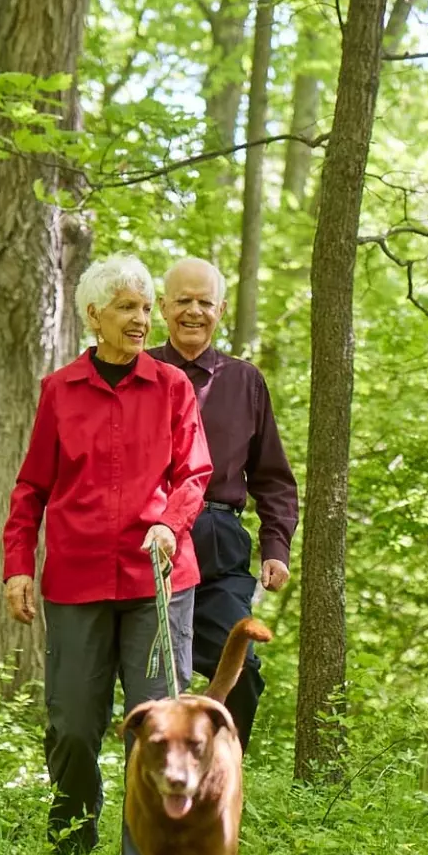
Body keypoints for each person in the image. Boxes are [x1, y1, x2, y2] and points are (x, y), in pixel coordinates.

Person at [2, 255, 212, 855]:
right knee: (71, 725)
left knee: (152, 730)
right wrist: (17, 564)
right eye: (127, 307)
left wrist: (169, 526)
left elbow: (194, 473)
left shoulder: (173, 387)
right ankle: (72, 835)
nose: (142, 319)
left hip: (158, 582)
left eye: (146, 307)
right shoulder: (60, 391)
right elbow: (32, 486)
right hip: (77, 578)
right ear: (94, 315)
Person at [148, 258, 298, 749]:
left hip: (218, 545)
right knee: (151, 679)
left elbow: (273, 477)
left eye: (205, 302)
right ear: (163, 306)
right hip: (149, 543)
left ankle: (215, 780)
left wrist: (276, 547)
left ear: (222, 310)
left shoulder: (244, 381)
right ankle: (151, 788)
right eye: (183, 300)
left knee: (243, 673)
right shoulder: (137, 372)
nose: (194, 311)